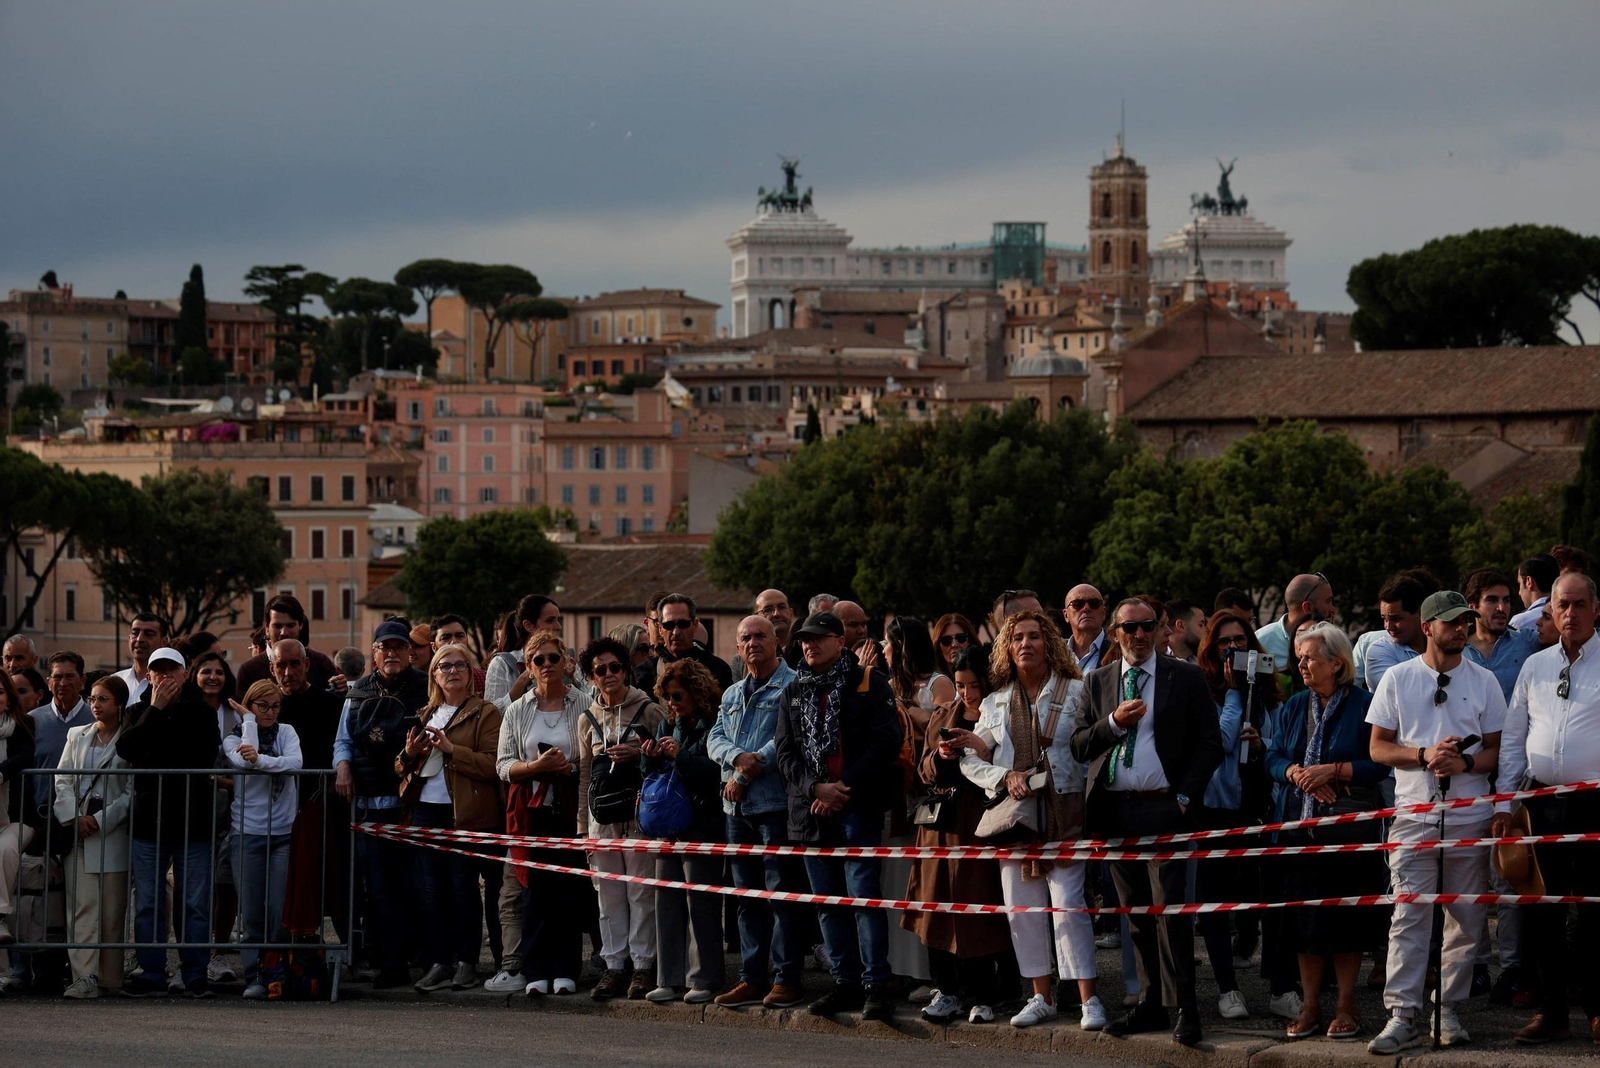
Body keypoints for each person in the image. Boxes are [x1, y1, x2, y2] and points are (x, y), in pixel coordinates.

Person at [1071, 597, 1224, 1047]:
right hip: (1116, 809)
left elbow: (1210, 744)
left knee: (1170, 912)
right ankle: (1150, 1004)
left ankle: (1186, 1009)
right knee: (1134, 914)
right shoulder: (1098, 682)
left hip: (1165, 807)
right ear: (1115, 633)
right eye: (1129, 628)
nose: (1138, 636)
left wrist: (1182, 797)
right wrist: (1115, 722)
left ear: (1159, 630)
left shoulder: (1186, 676)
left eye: (1146, 627)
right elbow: (1080, 745)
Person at [1365, 590, 1504, 1054]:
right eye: (1451, 622)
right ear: (1427, 627)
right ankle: (1402, 1014)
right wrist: (1423, 755)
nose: (1461, 629)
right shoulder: (1398, 679)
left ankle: (1447, 1009)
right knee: (1409, 913)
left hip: (1468, 814)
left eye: (1465, 621)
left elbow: (1496, 750)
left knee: (1465, 917)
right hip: (1414, 812)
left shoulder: (1484, 680)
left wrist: (1462, 765)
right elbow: (1378, 747)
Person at [961, 610, 1104, 1030]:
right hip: (1015, 815)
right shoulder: (994, 700)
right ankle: (1039, 996)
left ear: (1050, 644)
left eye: (1034, 637)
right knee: (1022, 910)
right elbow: (973, 756)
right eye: (1017, 638)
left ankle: (1088, 1000)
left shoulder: (1078, 691)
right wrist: (1004, 776)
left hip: (1066, 811)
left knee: (1069, 908)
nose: (1025, 644)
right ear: (1006, 648)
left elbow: (1091, 747)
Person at [775, 610, 903, 1022]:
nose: (808, 645)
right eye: (804, 639)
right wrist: (815, 789)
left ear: (839, 641)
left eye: (817, 637)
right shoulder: (794, 690)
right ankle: (844, 983)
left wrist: (842, 787)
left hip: (857, 806)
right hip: (810, 812)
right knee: (828, 904)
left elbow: (885, 742)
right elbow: (785, 752)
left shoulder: (868, 682)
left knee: (864, 898)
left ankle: (876, 984)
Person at [1265, 623, 1390, 1040]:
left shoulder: (1364, 705)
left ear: (1337, 663)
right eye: (1299, 657)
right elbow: (1272, 756)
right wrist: (1295, 772)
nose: (1301, 664)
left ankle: (1346, 1006)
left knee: (1346, 921)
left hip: (1348, 832)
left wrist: (1333, 770)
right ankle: (1310, 1005)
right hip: (1299, 829)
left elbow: (1380, 763)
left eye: (1310, 658)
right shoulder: (1294, 705)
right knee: (1304, 922)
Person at [1497, 572, 1600, 1044]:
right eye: (1563, 605)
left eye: (1580, 605)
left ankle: (1598, 1009)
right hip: (1541, 803)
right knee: (1543, 913)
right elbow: (1514, 738)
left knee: (1597, 913)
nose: (1571, 614)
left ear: (1596, 609)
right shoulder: (1535, 667)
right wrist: (1504, 802)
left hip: (1595, 803)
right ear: (1551, 611)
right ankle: (1553, 1012)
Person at [901, 646, 1012, 1024]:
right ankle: (945, 990)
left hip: (979, 823)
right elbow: (923, 771)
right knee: (936, 908)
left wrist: (979, 750)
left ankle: (982, 994)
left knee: (978, 910)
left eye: (973, 685)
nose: (966, 694)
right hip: (938, 827)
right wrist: (942, 756)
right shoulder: (943, 714)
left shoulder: (1002, 712)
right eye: (961, 685)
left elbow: (1010, 766)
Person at [710, 615, 806, 1010]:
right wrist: (736, 761)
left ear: (777, 641)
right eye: (745, 638)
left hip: (775, 807)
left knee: (781, 896)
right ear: (737, 647)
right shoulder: (731, 693)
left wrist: (746, 773)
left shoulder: (793, 685)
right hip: (735, 809)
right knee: (747, 899)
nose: (753, 643)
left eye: (760, 636)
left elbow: (786, 740)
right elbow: (715, 737)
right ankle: (752, 977)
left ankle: (787, 978)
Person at [116, 645, 223, 998]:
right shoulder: (135, 711)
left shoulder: (203, 713)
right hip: (149, 821)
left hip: (193, 821)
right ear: (148, 675)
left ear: (184, 674)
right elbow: (128, 749)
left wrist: (158, 740)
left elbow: (203, 755)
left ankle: (194, 973)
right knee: (148, 901)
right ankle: (152, 971)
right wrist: (157, 710)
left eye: (171, 670)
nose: (164, 677)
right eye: (157, 671)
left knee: (194, 902)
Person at [398, 645, 504, 994]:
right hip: (426, 811)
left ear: (471, 673)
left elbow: (492, 764)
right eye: (445, 665)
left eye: (460, 665)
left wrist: (450, 750)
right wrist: (410, 754)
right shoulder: (426, 712)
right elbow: (399, 767)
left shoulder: (484, 712)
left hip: (463, 812)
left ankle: (467, 962)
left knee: (463, 890)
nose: (453, 671)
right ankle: (440, 962)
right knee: (433, 891)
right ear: (434, 674)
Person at [1192, 611, 1282, 1022]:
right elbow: (1222, 741)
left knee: (1270, 896)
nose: (1233, 648)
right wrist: (1232, 692)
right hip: (1216, 808)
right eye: (1225, 641)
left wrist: (1263, 743)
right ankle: (1227, 987)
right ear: (1211, 648)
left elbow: (1280, 743)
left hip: (1258, 804)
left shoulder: (1265, 689)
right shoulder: (1204, 689)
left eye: (1241, 641)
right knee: (1216, 900)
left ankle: (1282, 986)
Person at [333, 619, 430, 988]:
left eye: (398, 647)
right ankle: (391, 965)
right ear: (374, 654)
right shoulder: (357, 691)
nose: (391, 653)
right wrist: (342, 766)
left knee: (417, 885)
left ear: (409, 651)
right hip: (369, 806)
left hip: (412, 804)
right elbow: (343, 740)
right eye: (384, 647)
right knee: (379, 888)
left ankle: (430, 959)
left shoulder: (426, 687)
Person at [497, 628, 590, 997]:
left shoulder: (582, 702)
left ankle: (566, 968)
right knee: (533, 892)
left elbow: (592, 753)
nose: (548, 665)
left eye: (554, 658)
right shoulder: (517, 710)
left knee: (568, 889)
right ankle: (536, 969)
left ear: (566, 663)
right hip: (531, 811)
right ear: (529, 667)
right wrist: (535, 767)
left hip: (570, 808)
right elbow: (503, 765)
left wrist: (568, 766)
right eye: (540, 660)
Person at [578, 636, 665, 1000]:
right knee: (608, 895)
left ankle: (643, 967)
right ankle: (614, 965)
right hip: (602, 820)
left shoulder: (649, 710)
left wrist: (639, 756)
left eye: (615, 667)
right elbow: (584, 774)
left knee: (641, 892)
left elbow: (664, 762)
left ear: (626, 669)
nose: (609, 674)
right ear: (591, 677)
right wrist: (581, 829)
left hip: (639, 816)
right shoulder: (586, 718)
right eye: (600, 670)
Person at [642, 659, 727, 1004]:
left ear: (697, 692)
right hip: (669, 827)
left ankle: (704, 977)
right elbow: (656, 775)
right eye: (666, 697)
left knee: (701, 905)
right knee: (666, 901)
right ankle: (669, 977)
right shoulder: (668, 723)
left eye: (677, 695)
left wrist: (680, 757)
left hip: (703, 823)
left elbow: (714, 772)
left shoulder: (714, 724)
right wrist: (650, 757)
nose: (672, 703)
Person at [54, 675, 133, 998]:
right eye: (93, 699)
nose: (96, 705)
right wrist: (74, 816)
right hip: (79, 832)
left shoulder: (129, 740)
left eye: (103, 699)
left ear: (119, 704)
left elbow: (131, 792)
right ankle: (83, 976)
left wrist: (100, 820)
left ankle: (110, 979)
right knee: (83, 908)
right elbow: (62, 779)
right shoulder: (77, 735)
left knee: (113, 911)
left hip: (111, 831)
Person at [223, 680, 303, 999]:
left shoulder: (287, 732)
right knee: (252, 913)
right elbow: (243, 760)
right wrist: (250, 725)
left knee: (278, 911)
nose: (270, 713)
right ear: (250, 705)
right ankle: (255, 976)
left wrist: (262, 761)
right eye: (262, 707)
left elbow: (294, 763)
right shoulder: (232, 737)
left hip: (284, 833)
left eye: (275, 707)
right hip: (247, 833)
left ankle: (278, 974)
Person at [189, 648, 241, 987]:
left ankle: (217, 953)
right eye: (205, 671)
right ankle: (191, 957)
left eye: (218, 672)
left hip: (231, 810)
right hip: (194, 807)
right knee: (194, 886)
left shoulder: (234, 713)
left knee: (226, 884)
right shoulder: (187, 711)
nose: (212, 677)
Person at [236, 595, 345, 694]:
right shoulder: (248, 670)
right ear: (267, 627)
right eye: (277, 626)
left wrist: (343, 688)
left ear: (300, 625)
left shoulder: (321, 663)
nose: (284, 632)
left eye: (290, 625)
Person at [0, 671, 38, 948]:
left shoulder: (22, 724)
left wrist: (1, 773)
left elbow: (25, 755)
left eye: (0, 692)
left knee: (4, 850)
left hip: (15, 818)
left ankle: (0, 914)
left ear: (9, 697)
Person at [635, 593, 733, 695]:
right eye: (669, 625)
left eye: (683, 624)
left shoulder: (718, 669)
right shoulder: (644, 674)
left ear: (695, 625)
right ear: (660, 629)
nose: (676, 632)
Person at [32, 652, 93, 812]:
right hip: (40, 817)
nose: (63, 683)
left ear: (82, 681)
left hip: (83, 818)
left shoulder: (97, 720)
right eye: (58, 677)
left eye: (70, 676)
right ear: (49, 682)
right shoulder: (31, 721)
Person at [485, 596, 565, 712]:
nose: (559, 626)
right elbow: (490, 714)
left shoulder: (565, 659)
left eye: (558, 620)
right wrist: (523, 680)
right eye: (550, 620)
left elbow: (588, 705)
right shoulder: (502, 663)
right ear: (528, 626)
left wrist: (573, 679)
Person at [1364, 569, 1439, 692]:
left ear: (1421, 612)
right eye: (1384, 619)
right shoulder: (1380, 652)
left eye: (1396, 619)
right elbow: (1401, 693)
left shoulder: (1446, 645)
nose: (1388, 626)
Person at [1255, 573, 1336, 667]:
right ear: (1308, 607)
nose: (1333, 610)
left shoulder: (1333, 643)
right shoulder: (1260, 642)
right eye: (1328, 601)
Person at [112, 612, 165, 706]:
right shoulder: (114, 682)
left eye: (149, 634)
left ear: (164, 642)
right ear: (129, 639)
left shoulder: (168, 684)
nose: (139, 639)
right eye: (135, 633)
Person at [1060, 585, 1108, 673]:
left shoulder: (1118, 650)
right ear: (1066, 615)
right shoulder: (1054, 653)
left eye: (1094, 603)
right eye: (1078, 604)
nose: (1086, 608)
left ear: (1104, 613)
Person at [1510, 554, 1558, 633]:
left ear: (1529, 582)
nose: (1519, 592)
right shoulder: (1564, 616)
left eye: (1520, 584)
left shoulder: (1519, 623)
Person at [931, 613, 978, 678]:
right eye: (946, 640)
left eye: (961, 637)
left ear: (970, 640)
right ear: (938, 647)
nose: (954, 644)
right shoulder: (932, 682)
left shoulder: (988, 676)